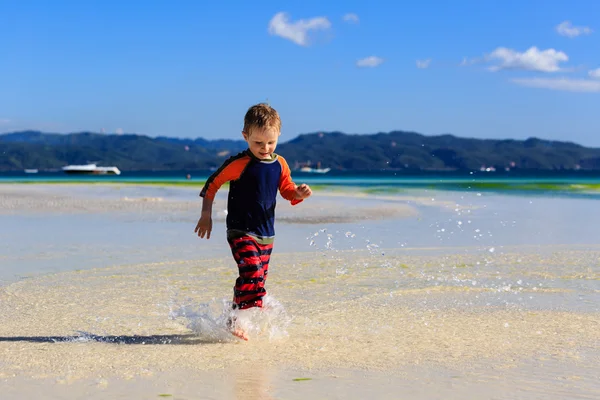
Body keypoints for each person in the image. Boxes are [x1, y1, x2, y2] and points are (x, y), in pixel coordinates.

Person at [194, 103, 312, 340]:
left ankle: (234, 317)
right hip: (240, 230)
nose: (265, 148)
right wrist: (206, 215)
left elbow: (286, 190)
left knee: (253, 278)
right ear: (245, 137)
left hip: (267, 234)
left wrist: (297, 194)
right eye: (258, 143)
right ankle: (244, 316)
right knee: (252, 272)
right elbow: (212, 184)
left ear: (278, 136)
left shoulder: (280, 164)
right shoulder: (239, 164)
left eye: (271, 142)